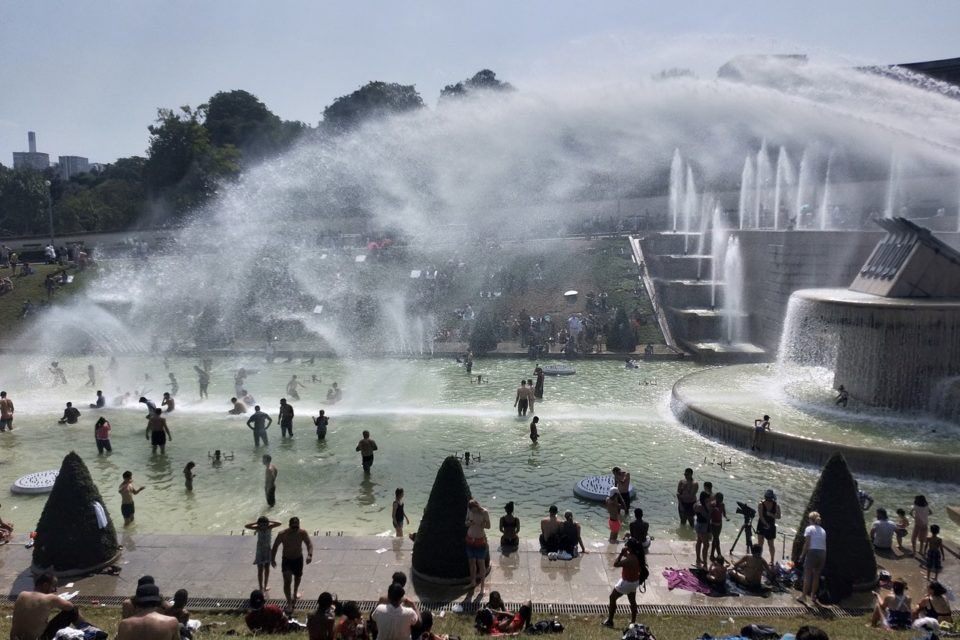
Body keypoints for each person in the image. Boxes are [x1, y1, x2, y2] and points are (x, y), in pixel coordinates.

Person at [9, 572, 87, 640]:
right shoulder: (50, 598)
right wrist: (56, 598)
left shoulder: (22, 594)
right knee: (72, 611)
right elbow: (70, 607)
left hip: (15, 638)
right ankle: (88, 630)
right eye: (54, 586)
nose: (55, 590)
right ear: (45, 586)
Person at [271, 516, 314, 612]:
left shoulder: (302, 533)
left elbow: (309, 543)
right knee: (287, 581)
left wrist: (309, 555)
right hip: (287, 560)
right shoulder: (282, 534)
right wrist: (272, 559)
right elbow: (275, 546)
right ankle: (289, 603)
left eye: (297, 527)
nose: (295, 529)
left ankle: (295, 592)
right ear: (289, 526)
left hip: (298, 559)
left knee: (297, 578)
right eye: (293, 527)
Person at [602, 537, 647, 628]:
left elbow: (616, 564)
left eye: (627, 546)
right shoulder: (638, 556)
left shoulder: (629, 560)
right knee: (632, 601)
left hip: (626, 582)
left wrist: (621, 554)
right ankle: (633, 622)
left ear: (630, 548)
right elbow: (630, 558)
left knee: (612, 597)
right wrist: (626, 553)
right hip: (634, 582)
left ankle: (610, 621)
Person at [245, 515, 282, 592]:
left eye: (265, 524)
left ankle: (265, 586)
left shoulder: (269, 527)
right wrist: (257, 523)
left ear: (267, 524)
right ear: (259, 525)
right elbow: (246, 526)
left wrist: (270, 521)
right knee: (260, 570)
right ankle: (261, 587)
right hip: (260, 552)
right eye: (261, 525)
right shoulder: (258, 528)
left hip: (267, 551)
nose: (263, 526)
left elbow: (279, 523)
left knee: (267, 569)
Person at [798, 510, 826, 607]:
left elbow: (807, 544)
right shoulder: (823, 530)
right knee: (816, 576)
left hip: (813, 552)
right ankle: (813, 596)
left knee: (807, 575)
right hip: (823, 553)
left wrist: (802, 556)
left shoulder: (809, 528)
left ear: (811, 519)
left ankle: (803, 596)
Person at [465, 499, 490, 589]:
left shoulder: (484, 512)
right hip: (469, 539)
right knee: (471, 562)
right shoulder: (469, 511)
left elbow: (489, 526)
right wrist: (470, 523)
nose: (473, 511)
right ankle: (473, 582)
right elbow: (466, 523)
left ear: (477, 506)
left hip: (480, 540)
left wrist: (483, 524)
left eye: (474, 509)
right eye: (471, 510)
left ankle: (482, 586)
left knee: (481, 563)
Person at [756, 489, 781, 566]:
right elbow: (761, 516)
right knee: (760, 543)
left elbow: (779, 516)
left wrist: (771, 514)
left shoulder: (776, 505)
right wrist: (765, 524)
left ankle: (772, 560)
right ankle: (758, 558)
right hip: (762, 525)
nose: (769, 500)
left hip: (771, 526)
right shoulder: (761, 504)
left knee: (771, 544)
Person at [709, 492, 730, 562]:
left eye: (722, 499)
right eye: (720, 499)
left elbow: (724, 513)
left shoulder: (722, 504)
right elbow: (709, 515)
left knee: (715, 539)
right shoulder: (712, 505)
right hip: (713, 524)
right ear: (716, 498)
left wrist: (726, 518)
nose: (721, 500)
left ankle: (713, 555)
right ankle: (718, 554)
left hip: (719, 524)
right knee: (716, 539)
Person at [693, 491, 711, 568]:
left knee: (699, 542)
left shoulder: (697, 503)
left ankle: (698, 559)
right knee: (706, 545)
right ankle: (705, 562)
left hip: (698, 523)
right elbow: (707, 517)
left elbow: (693, 508)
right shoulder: (701, 506)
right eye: (707, 499)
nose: (708, 500)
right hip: (702, 525)